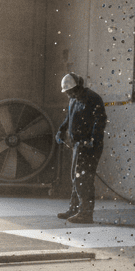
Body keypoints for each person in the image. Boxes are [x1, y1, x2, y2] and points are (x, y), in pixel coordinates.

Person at [56, 72, 106, 223]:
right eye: (67, 93)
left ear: (78, 87)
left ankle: (85, 213)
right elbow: (69, 118)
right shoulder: (73, 100)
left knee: (84, 179)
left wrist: (93, 140)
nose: (69, 94)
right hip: (78, 145)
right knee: (76, 178)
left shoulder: (92, 98)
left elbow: (100, 120)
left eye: (71, 91)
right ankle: (74, 209)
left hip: (89, 146)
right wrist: (61, 130)